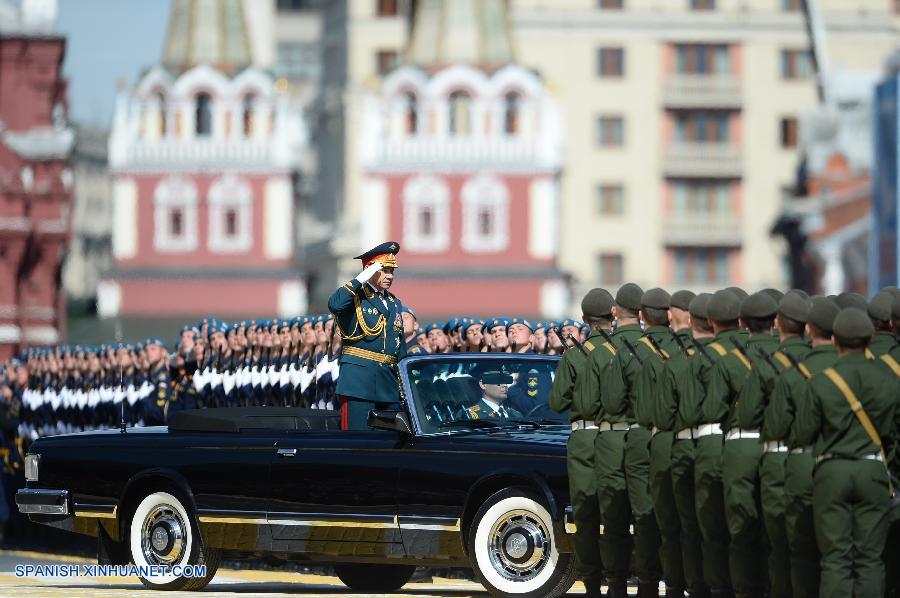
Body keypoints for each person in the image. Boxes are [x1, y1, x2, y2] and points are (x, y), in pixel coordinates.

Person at [794, 308, 900, 598]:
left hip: (832, 470)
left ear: (836, 340)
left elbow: (803, 433)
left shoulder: (822, 381)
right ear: (869, 340)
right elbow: (894, 434)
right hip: (873, 469)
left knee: (836, 558)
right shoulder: (890, 380)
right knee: (869, 559)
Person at [764, 296, 840, 598]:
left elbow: (776, 426)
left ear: (810, 329)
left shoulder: (794, 371)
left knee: (799, 547)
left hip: (801, 463)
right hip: (848, 464)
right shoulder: (861, 369)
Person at [602, 286, 674, 597]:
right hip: (679, 439)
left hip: (640, 435)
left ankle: (644, 585)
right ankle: (676, 583)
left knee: (644, 517)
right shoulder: (687, 349)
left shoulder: (630, 351)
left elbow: (613, 401)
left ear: (643, 316)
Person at [548, 288, 615, 598]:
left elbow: (557, 402)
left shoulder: (576, 355)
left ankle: (592, 585)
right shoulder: (625, 352)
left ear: (586, 320)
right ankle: (619, 580)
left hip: (585, 439)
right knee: (617, 510)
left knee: (586, 515)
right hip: (617, 437)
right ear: (612, 316)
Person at [327, 242, 406, 430]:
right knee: (359, 438)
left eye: (392, 271)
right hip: (359, 381)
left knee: (389, 439)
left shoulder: (394, 302)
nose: (390, 276)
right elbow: (335, 305)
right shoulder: (355, 296)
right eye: (385, 270)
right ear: (371, 271)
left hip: (388, 381)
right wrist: (360, 279)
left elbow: (398, 344)